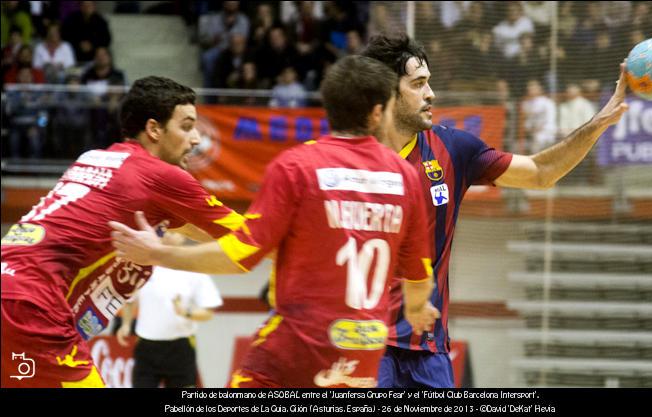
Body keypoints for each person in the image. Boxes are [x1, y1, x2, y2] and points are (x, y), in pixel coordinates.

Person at [108, 55, 439, 388]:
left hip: (295, 352)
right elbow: (419, 278)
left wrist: (156, 254)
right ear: (378, 112)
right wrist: (417, 308)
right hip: (363, 355)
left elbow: (237, 255)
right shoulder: (405, 177)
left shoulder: (297, 166)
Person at [361, 33, 629, 388]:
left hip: (428, 351)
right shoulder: (347, 160)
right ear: (387, 93)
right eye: (419, 84)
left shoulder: (452, 148)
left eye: (429, 83)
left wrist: (598, 125)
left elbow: (540, 173)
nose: (431, 94)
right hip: (365, 346)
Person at [1, 76, 246, 388]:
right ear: (154, 129)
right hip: (32, 306)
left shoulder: (95, 159)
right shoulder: (163, 176)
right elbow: (251, 240)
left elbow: (199, 230)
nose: (196, 138)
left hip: (14, 291)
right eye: (186, 126)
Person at [116, 233, 222, 388]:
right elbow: (130, 299)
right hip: (146, 344)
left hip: (180, 346)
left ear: (183, 237)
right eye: (166, 230)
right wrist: (125, 324)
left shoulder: (194, 269)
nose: (169, 234)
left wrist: (186, 313)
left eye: (174, 232)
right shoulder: (144, 265)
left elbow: (208, 311)